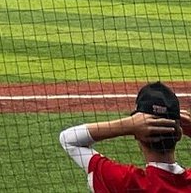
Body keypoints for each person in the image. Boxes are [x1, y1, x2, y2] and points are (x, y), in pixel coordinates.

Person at [60, 81, 191, 191]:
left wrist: (128, 126)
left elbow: (68, 139)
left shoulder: (125, 182)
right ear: (178, 134)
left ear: (138, 135)